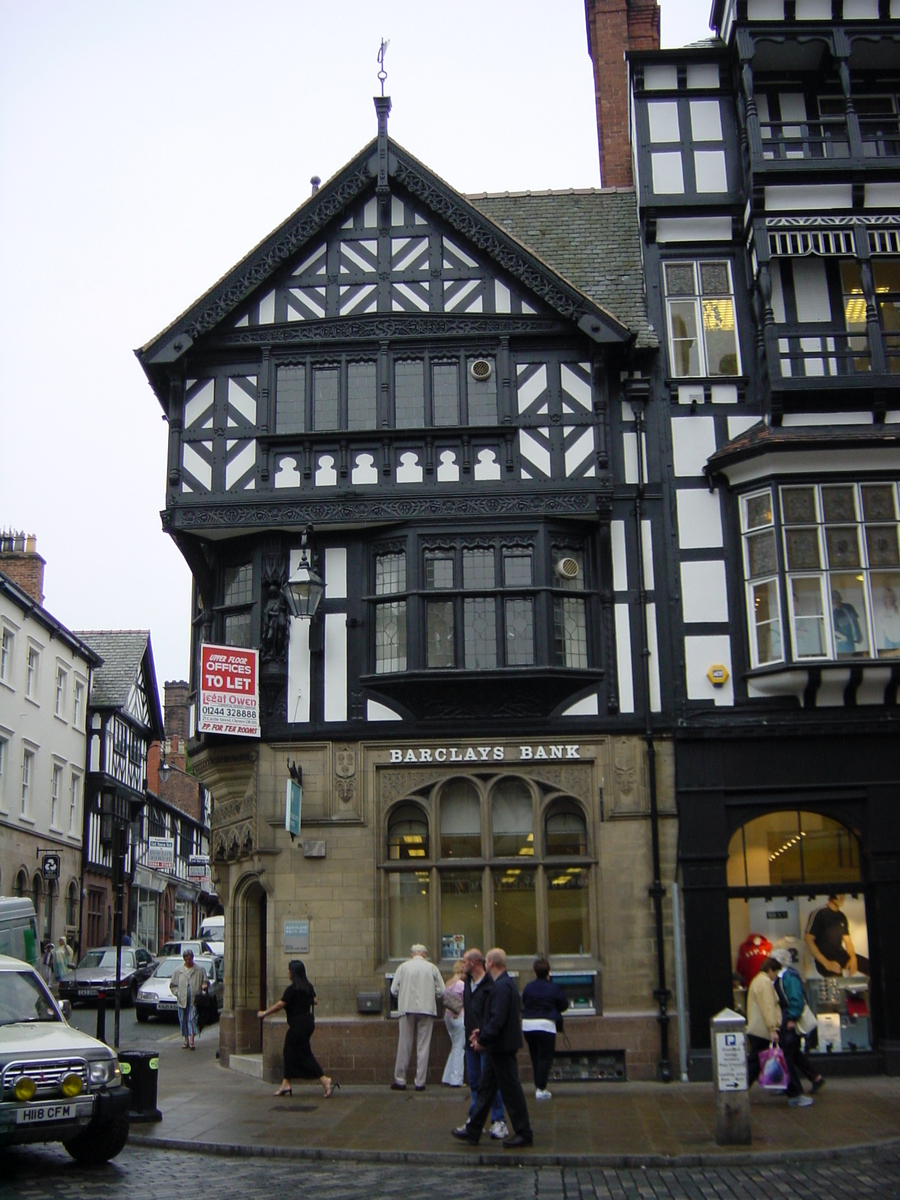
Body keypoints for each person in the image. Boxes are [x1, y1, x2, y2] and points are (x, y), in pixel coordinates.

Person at [452, 947, 533, 1148]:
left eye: (487, 961)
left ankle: (523, 1132)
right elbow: (494, 1019)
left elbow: (497, 1019)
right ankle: (474, 1128)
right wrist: (483, 1033)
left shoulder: (502, 986)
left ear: (492, 963)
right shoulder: (502, 985)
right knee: (485, 1089)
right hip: (497, 1046)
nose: (485, 964)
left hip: (501, 1047)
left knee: (511, 1091)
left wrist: (483, 1039)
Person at [257, 959, 336, 1098]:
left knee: (303, 1054)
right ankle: (286, 1082)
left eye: (289, 970)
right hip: (308, 1024)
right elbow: (315, 1001)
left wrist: (264, 1013)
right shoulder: (308, 986)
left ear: (294, 973)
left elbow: (280, 1005)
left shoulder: (292, 989)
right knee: (290, 1051)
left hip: (298, 1026)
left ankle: (324, 1080)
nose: (287, 972)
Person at [462, 948, 508, 1140]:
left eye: (464, 961)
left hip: (485, 1041)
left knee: (490, 1083)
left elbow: (493, 1014)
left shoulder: (491, 985)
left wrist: (483, 1035)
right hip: (470, 1041)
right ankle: (476, 1120)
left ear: (473, 962)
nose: (462, 964)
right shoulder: (467, 984)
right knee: (474, 1081)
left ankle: (499, 1121)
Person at [770, 948, 825, 1096]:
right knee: (793, 1052)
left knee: (788, 1051)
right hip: (786, 1017)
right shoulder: (783, 977)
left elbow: (796, 999)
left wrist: (792, 1018)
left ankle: (793, 1086)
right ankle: (814, 1078)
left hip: (788, 1018)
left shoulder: (788, 977)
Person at [390, 944, 444, 1091]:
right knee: (423, 1046)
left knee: (404, 1045)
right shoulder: (432, 968)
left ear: (412, 954)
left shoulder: (403, 967)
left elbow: (393, 990)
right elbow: (441, 991)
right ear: (425, 954)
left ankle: (400, 1080)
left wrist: (404, 994)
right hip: (427, 1009)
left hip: (407, 1008)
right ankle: (420, 1082)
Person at [521, 957, 569, 1101]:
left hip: (528, 1026)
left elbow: (524, 1001)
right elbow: (564, 1004)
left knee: (535, 1057)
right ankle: (541, 1089)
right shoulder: (553, 988)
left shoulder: (529, 987)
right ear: (548, 972)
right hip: (546, 1026)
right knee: (545, 1059)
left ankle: (539, 1086)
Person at [805, 895, 865, 977]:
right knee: (837, 980)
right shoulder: (819, 913)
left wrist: (853, 958)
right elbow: (808, 939)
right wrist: (826, 963)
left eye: (843, 895)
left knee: (867, 965)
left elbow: (848, 941)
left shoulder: (841, 916)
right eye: (838, 894)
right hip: (825, 956)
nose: (841, 897)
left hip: (839, 953)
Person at [745, 956, 781, 1088]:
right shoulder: (765, 983)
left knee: (756, 1061)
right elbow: (768, 1007)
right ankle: (741, 1086)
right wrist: (773, 1028)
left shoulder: (757, 980)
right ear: (770, 970)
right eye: (775, 972)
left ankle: (742, 1086)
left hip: (756, 1028)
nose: (775, 976)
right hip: (762, 1030)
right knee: (756, 1062)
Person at [169, 948, 209, 1050]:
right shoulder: (178, 971)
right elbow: (173, 985)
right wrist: (177, 993)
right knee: (183, 1020)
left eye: (190, 959)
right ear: (184, 960)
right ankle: (185, 1040)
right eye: (186, 959)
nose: (188, 961)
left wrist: (204, 985)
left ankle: (192, 1040)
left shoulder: (199, 970)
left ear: (192, 958)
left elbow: (205, 981)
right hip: (182, 1000)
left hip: (194, 1000)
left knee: (192, 1019)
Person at [441, 958, 466, 1088]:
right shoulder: (461, 985)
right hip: (459, 1017)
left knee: (454, 1047)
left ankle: (447, 1077)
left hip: (448, 1017)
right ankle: (456, 1079)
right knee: (459, 1049)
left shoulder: (448, 983)